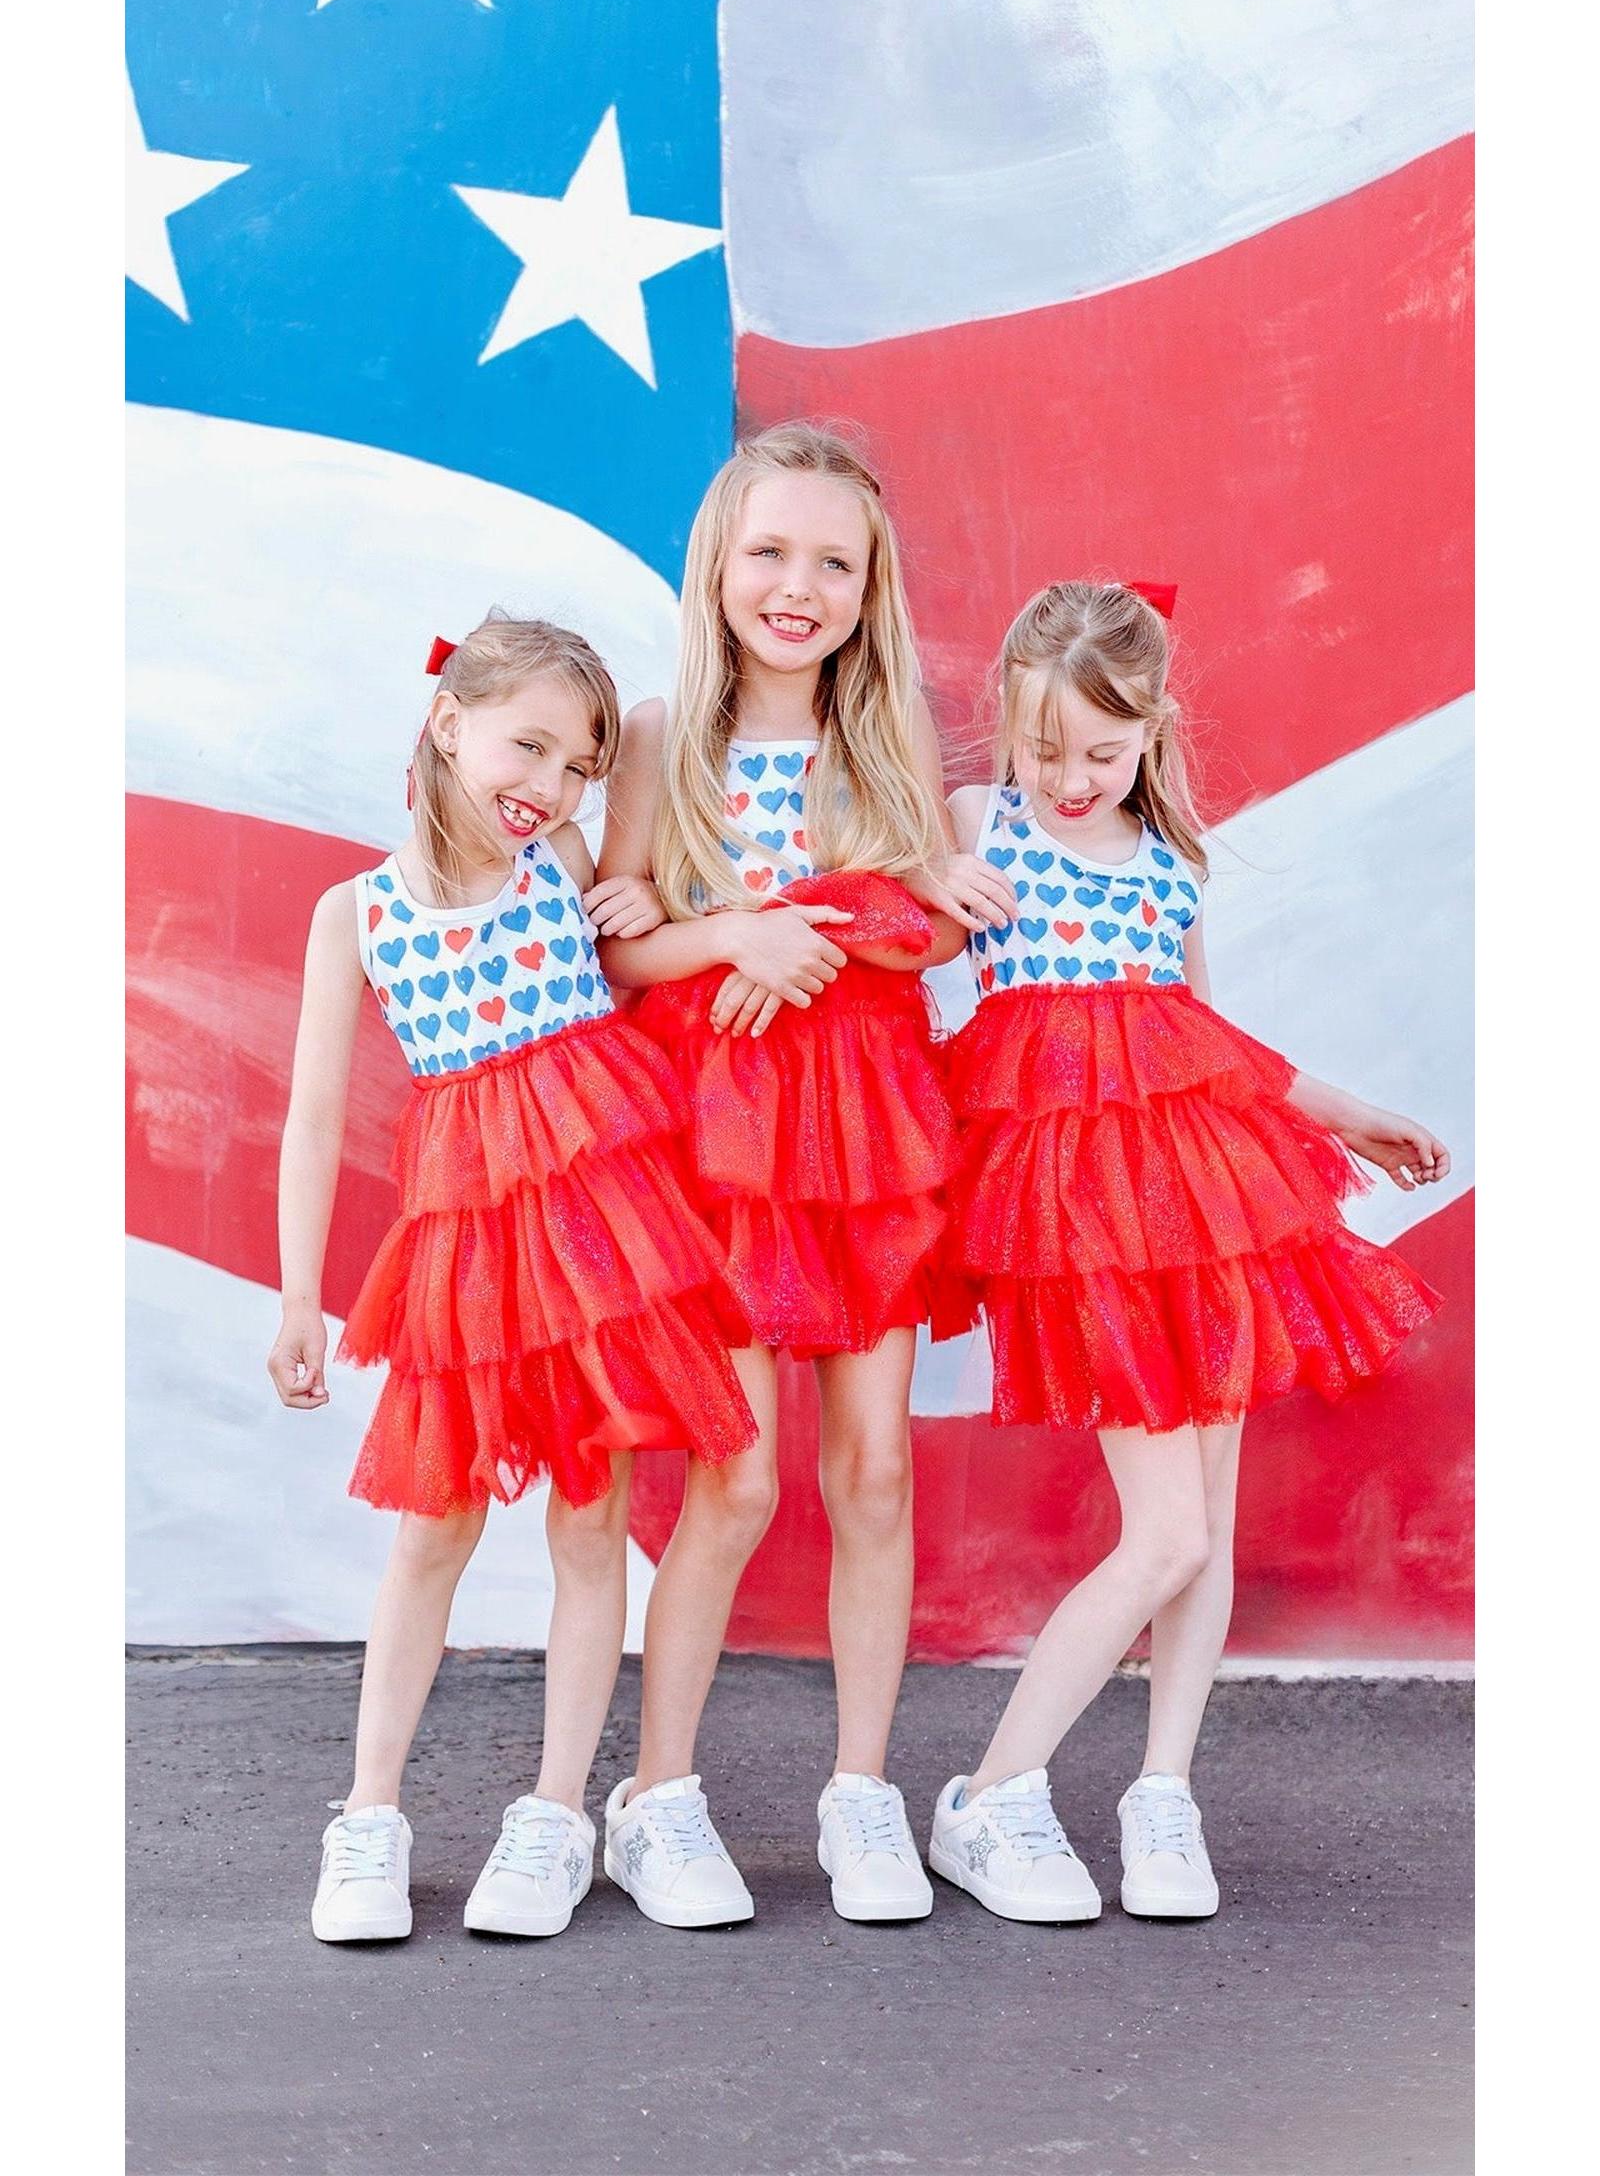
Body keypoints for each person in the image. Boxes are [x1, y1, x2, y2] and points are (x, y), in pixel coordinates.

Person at [927, 580, 1446, 1924]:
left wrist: (1348, 1113)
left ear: (1153, 732)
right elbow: (899, 926)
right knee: (1161, 1535)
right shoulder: (982, 830)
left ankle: (1163, 1792)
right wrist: (922, 883)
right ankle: (989, 1796)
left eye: (1103, 753)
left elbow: (1204, 1051)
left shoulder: (1167, 870)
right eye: (1046, 751)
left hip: (1197, 1220)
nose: (1072, 778)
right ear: (1011, 727)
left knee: (1199, 1529)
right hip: (1079, 1237)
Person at [267, 615, 756, 1947]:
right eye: (526, 744)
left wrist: (649, 904)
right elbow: (313, 1119)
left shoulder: (568, 863)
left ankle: (554, 1816)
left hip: (601, 1238)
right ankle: (369, 1815)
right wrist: (301, 1292)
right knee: (433, 1528)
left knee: (591, 1521)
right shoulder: (354, 916)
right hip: (469, 1250)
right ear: (447, 723)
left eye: (577, 763)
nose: (545, 784)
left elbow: (635, 954)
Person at [592, 424, 1007, 1927]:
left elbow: (940, 923)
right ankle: (659, 1798)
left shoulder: (892, 736)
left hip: (870, 1134)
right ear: (721, 563)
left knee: (875, 1468)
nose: (799, 585)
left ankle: (863, 1791)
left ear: (867, 585)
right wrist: (731, 936)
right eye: (771, 551)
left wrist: (837, 919)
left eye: (834, 562)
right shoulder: (659, 736)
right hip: (720, 1141)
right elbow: (622, 945)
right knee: (737, 1471)